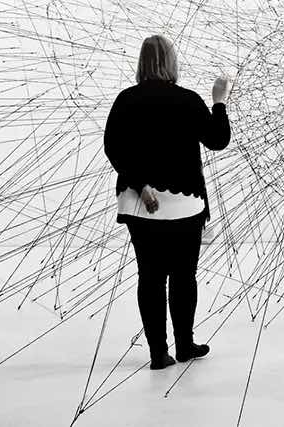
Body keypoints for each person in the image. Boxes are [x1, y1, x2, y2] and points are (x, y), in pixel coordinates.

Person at [103, 35, 232, 370]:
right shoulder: (187, 100)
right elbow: (218, 140)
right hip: (185, 204)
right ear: (171, 62)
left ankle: (158, 354)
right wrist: (219, 101)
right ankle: (185, 345)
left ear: (142, 62)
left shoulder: (126, 100)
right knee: (183, 275)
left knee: (150, 276)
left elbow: (113, 148)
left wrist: (141, 185)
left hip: (136, 203)